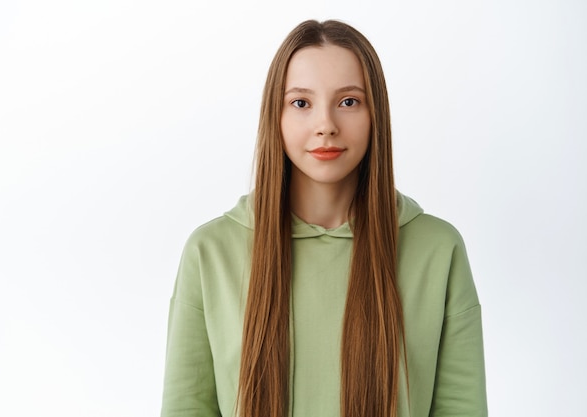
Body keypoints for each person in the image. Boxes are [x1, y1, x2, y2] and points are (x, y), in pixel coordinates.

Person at [160, 19, 487, 417]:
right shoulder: (209, 253)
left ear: (375, 114)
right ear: (275, 117)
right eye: (301, 103)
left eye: (349, 101)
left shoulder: (438, 250)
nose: (326, 126)